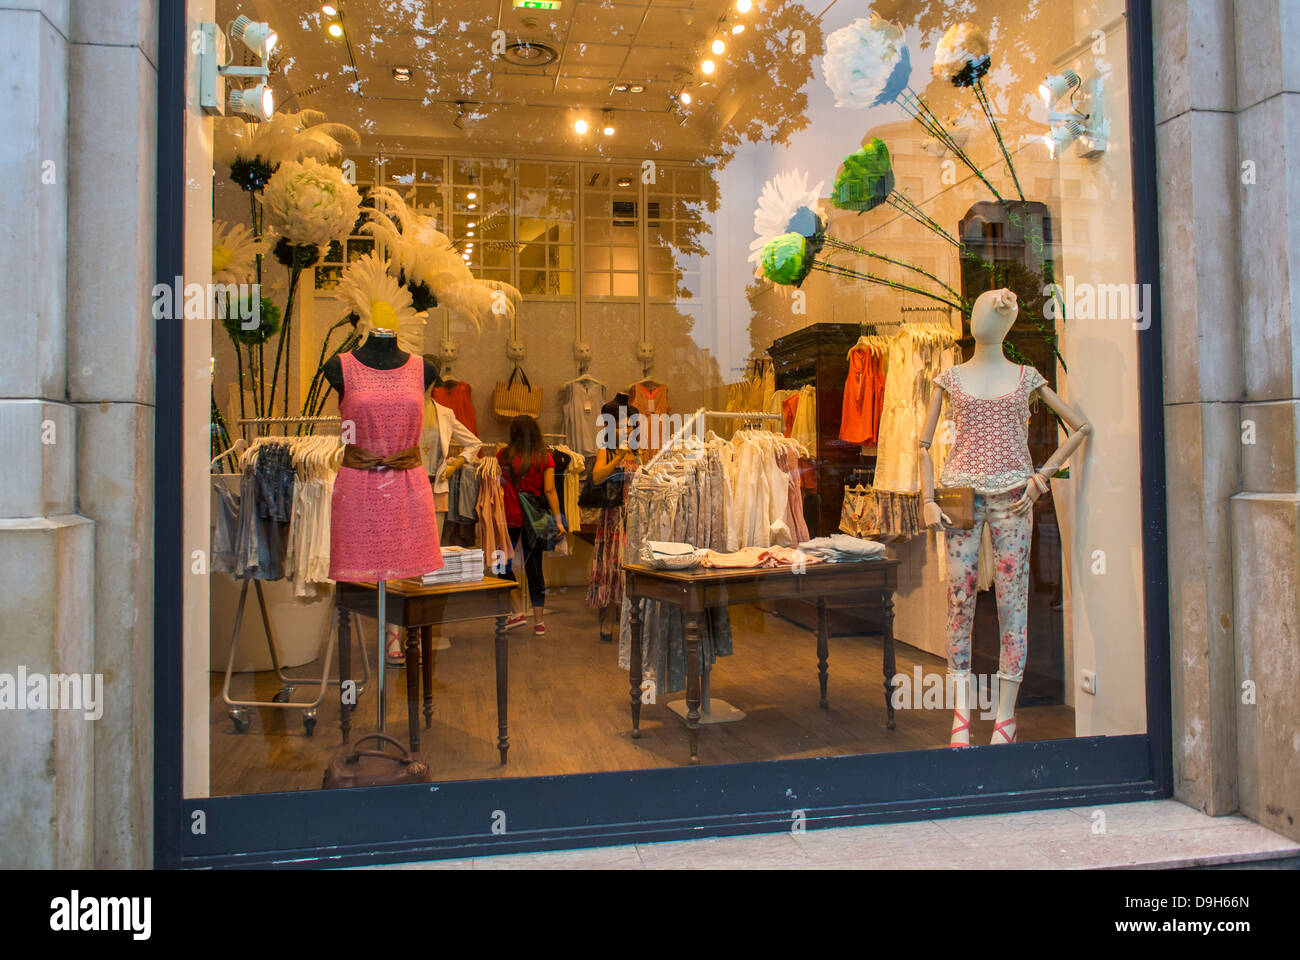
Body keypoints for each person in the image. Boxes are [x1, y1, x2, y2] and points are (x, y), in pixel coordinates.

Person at [497, 416, 565, 635]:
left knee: (502, 565)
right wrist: (557, 519)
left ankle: (517, 612)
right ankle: (539, 622)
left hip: (509, 518)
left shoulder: (503, 455)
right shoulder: (545, 457)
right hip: (534, 520)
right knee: (535, 568)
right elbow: (549, 490)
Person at [586, 398, 641, 643]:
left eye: (631, 425)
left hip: (636, 517)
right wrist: (617, 458)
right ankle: (608, 618)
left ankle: (633, 621)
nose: (629, 428)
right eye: (625, 424)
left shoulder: (638, 451)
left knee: (631, 571)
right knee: (612, 569)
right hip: (614, 517)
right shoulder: (606, 449)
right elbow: (597, 476)